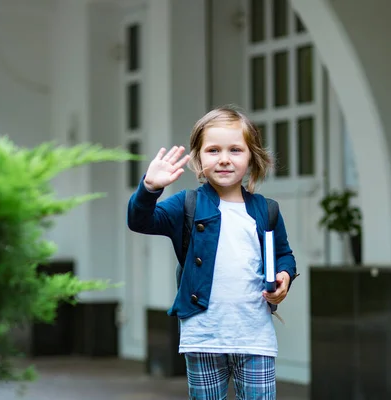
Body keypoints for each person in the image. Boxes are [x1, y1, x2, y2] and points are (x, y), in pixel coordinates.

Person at [127, 106, 297, 400]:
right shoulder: (186, 204)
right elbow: (140, 221)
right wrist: (149, 188)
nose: (224, 159)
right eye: (213, 150)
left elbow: (284, 254)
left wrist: (284, 275)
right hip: (203, 334)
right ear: (198, 158)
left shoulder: (266, 209)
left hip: (254, 335)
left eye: (235, 150)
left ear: (251, 157)